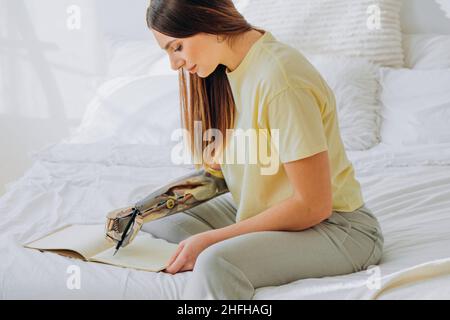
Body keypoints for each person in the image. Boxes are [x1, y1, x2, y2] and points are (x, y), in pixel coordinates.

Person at [140, 0, 384, 299]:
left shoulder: (280, 79)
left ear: (209, 22)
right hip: (264, 213)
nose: (174, 64)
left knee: (217, 262)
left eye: (176, 47)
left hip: (336, 228)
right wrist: (145, 208)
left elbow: (313, 205)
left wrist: (211, 241)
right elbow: (220, 175)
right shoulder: (226, 69)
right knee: (160, 222)